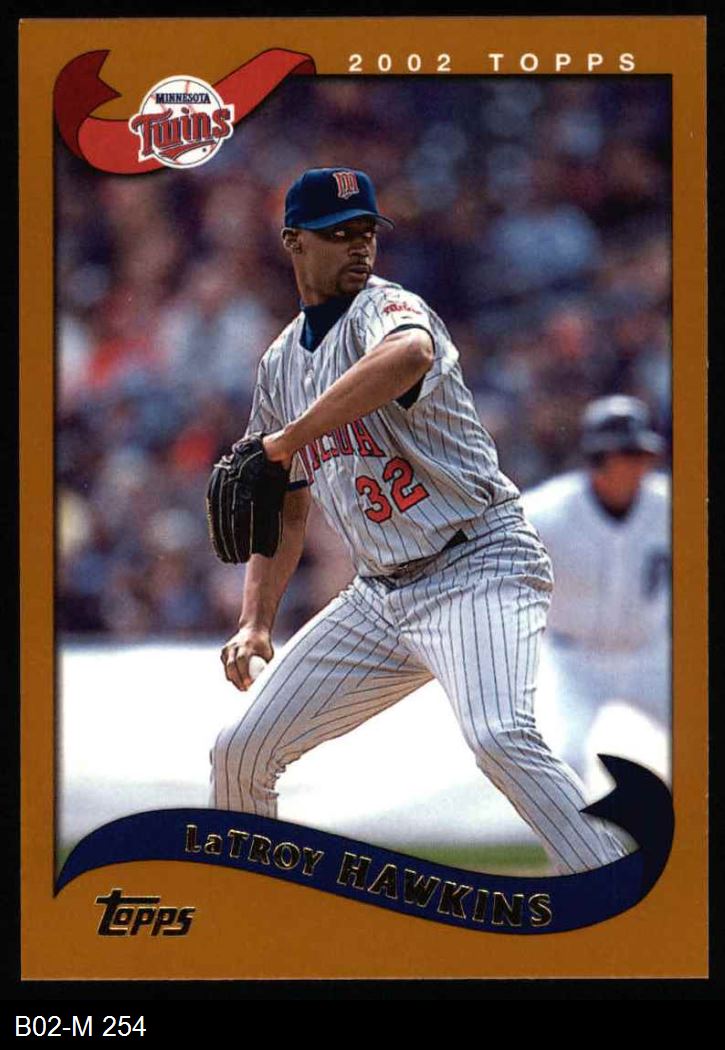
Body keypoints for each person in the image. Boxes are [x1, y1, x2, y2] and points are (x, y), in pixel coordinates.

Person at [210, 167, 625, 874]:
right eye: (338, 233)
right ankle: (253, 909)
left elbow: (410, 353)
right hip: (379, 595)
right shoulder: (280, 366)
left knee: (499, 734)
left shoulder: (388, 307)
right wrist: (256, 619)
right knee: (239, 750)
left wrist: (283, 442)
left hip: (478, 561)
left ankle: (614, 891)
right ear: (294, 242)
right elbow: (283, 500)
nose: (358, 245)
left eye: (366, 231)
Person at [521, 395, 670, 789]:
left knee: (702, 739)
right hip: (574, 662)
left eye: (642, 454)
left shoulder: (672, 507)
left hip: (650, 655)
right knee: (563, 757)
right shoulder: (546, 512)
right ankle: (575, 833)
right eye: (628, 454)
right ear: (598, 459)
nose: (639, 464)